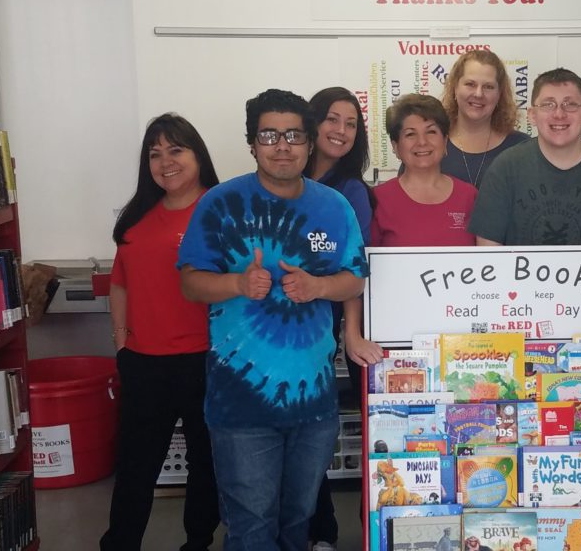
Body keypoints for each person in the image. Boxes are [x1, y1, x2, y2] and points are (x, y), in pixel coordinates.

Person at [177, 89, 368, 551]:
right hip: (241, 406)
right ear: (252, 142)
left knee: (297, 521)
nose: (282, 145)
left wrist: (319, 287)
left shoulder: (334, 206)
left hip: (314, 403)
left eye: (293, 135)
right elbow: (190, 281)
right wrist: (238, 285)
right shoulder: (221, 204)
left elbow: (355, 278)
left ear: (309, 142)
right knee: (251, 526)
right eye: (269, 134)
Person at [100, 113, 221, 551]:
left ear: (197, 156)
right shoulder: (136, 217)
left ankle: (198, 541)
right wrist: (122, 343)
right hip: (143, 362)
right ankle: (120, 543)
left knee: (205, 462)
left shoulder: (219, 208)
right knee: (135, 465)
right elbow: (120, 283)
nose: (165, 161)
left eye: (176, 150)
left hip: (205, 360)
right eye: (155, 153)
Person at [343, 93, 478, 365]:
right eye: (410, 134)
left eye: (431, 132)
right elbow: (356, 273)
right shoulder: (376, 200)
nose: (422, 143)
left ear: (446, 140)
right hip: (393, 341)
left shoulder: (471, 196)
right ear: (395, 146)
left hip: (462, 343)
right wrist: (353, 335)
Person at [303, 86, 376, 551]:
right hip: (280, 327)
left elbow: (355, 266)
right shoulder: (281, 177)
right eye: (333, 119)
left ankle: (324, 534)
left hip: (326, 326)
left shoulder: (352, 191)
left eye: (351, 124)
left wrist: (350, 331)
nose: (341, 131)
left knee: (316, 435)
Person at [469, 68, 581, 246]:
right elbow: (488, 255)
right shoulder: (504, 169)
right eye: (548, 105)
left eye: (570, 104)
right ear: (532, 115)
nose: (559, 114)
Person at [439, 49, 529, 187]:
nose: (478, 94)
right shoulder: (431, 144)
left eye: (488, 86)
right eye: (470, 84)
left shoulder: (522, 148)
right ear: (455, 88)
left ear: (500, 94)